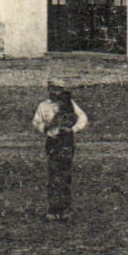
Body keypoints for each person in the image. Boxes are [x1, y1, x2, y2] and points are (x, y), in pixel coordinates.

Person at [32, 82, 88, 221]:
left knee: (65, 174)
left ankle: (66, 209)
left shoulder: (69, 104)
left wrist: (73, 129)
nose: (56, 93)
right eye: (53, 90)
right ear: (49, 89)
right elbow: (36, 122)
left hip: (66, 141)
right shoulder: (43, 106)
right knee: (53, 174)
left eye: (59, 90)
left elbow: (83, 118)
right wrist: (45, 130)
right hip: (52, 142)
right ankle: (53, 209)